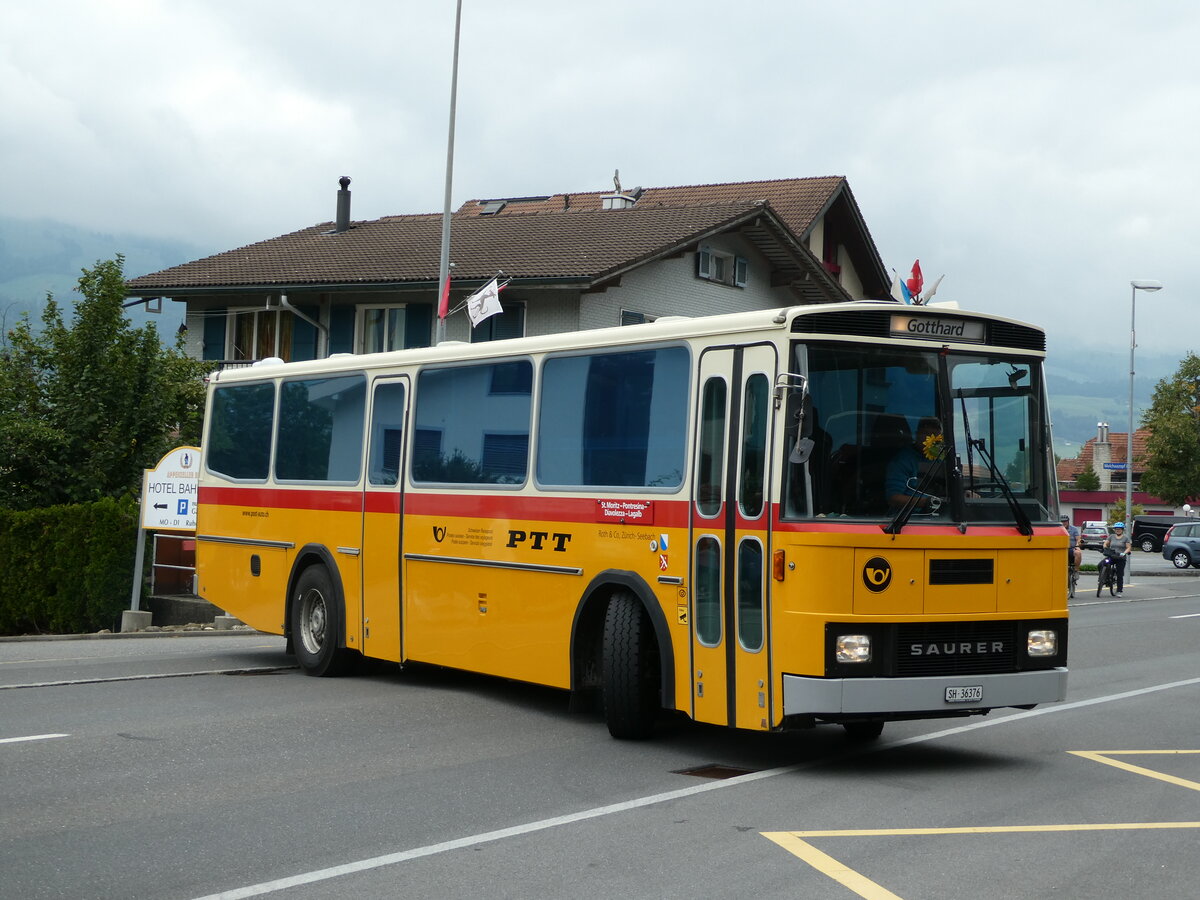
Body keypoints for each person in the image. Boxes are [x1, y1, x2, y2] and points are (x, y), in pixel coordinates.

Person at [886, 416, 943, 511]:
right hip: (909, 519)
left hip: (940, 517)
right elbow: (893, 498)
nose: (928, 438)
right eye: (925, 434)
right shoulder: (903, 460)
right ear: (917, 435)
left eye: (934, 435)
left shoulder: (940, 459)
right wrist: (928, 502)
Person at [1104, 521, 1132, 594]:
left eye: (1119, 529)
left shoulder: (1125, 538)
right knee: (1102, 564)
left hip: (1120, 557)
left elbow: (1128, 547)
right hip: (1112, 556)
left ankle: (1119, 590)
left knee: (1120, 574)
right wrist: (1105, 547)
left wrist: (1124, 553)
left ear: (1122, 530)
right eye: (1116, 529)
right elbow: (1106, 543)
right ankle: (1103, 579)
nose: (1118, 530)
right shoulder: (1111, 536)